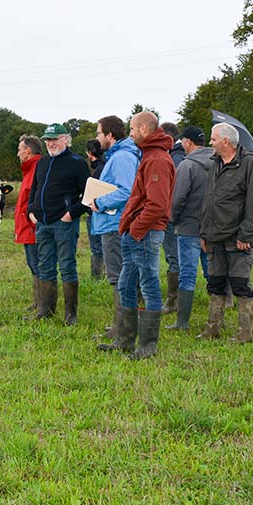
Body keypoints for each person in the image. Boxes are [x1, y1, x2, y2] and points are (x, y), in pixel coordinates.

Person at [98, 111, 174, 359]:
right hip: (136, 232)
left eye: (132, 129)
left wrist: (137, 228)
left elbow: (157, 204)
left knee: (149, 284)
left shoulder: (157, 160)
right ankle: (125, 340)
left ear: (143, 129)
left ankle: (148, 346)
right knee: (125, 283)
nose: (129, 134)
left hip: (146, 233)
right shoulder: (148, 155)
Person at [197, 122, 253, 343]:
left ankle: (244, 332)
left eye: (213, 139)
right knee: (215, 282)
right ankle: (213, 328)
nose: (210, 143)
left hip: (237, 237)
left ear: (226, 141)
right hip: (214, 236)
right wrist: (204, 233)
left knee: (240, 284)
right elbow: (208, 200)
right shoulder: (215, 163)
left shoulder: (250, 165)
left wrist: (246, 234)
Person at [28, 123, 91, 325]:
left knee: (67, 266)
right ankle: (46, 309)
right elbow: (34, 188)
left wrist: (71, 214)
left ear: (66, 139)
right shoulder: (43, 162)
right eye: (47, 140)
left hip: (64, 223)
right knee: (44, 265)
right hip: (42, 222)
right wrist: (31, 210)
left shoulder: (77, 163)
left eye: (54, 139)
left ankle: (70, 314)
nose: (50, 143)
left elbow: (88, 195)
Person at [87, 115, 141, 341]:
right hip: (112, 222)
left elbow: (126, 191)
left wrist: (99, 201)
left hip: (115, 223)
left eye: (99, 133)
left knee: (119, 277)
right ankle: (120, 325)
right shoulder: (118, 155)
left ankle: (124, 329)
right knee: (119, 277)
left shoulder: (121, 158)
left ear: (110, 135)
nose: (98, 138)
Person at [165, 125, 213, 331]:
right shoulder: (219, 162)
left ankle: (182, 322)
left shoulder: (187, 166)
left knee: (187, 274)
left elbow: (178, 198)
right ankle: (215, 317)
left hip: (189, 227)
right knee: (212, 271)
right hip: (212, 228)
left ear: (187, 142)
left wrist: (172, 218)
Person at [159, 122, 185, 316]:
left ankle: (173, 300)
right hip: (183, 216)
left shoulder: (174, 157)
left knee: (174, 257)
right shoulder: (180, 155)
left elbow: (174, 190)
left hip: (173, 217)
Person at [15, 134, 43, 314]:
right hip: (27, 226)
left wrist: (32, 221)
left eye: (19, 150)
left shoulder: (37, 170)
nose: (18, 154)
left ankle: (43, 304)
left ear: (28, 151)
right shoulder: (29, 170)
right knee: (33, 264)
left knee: (38, 264)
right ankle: (38, 301)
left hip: (33, 226)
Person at [84, 138, 106, 279]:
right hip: (108, 212)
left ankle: (97, 277)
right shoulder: (108, 165)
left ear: (90, 153)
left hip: (96, 213)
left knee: (97, 248)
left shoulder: (98, 170)